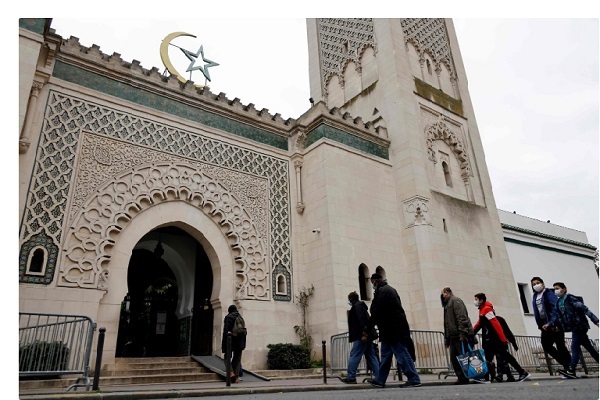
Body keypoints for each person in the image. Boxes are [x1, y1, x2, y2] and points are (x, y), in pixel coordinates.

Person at [366, 273, 421, 388]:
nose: (372, 285)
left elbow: (377, 311)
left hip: (393, 330)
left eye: (372, 282)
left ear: (376, 281)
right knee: (385, 356)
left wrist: (368, 327)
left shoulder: (385, 291)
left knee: (401, 354)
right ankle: (380, 380)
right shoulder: (386, 290)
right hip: (389, 330)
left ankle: (414, 378)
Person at [543, 282, 599, 379]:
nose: (556, 291)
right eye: (554, 289)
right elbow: (556, 317)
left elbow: (585, 309)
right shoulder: (558, 303)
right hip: (573, 327)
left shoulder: (571, 299)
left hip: (580, 326)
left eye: (558, 288)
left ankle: (571, 370)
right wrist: (549, 324)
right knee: (589, 347)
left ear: (564, 289)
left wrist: (596, 321)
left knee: (574, 347)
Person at [473, 293, 530, 383]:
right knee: (488, 358)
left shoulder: (487, 309)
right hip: (490, 340)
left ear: (481, 300)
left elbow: (496, 325)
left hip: (495, 339)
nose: (475, 301)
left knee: (506, 356)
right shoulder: (482, 310)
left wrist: (503, 339)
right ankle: (485, 377)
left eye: (476, 299)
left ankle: (522, 372)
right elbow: (479, 323)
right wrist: (471, 333)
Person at [530, 276, 571, 372]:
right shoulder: (535, 296)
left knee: (560, 345)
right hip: (544, 325)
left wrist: (552, 322)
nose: (536, 285)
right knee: (546, 345)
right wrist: (540, 325)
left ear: (543, 284)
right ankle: (566, 363)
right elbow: (538, 311)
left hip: (555, 323)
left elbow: (555, 308)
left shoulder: (548, 293)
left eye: (537, 283)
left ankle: (569, 366)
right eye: (533, 284)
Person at [339, 291, 380, 384]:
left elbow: (361, 321)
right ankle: (379, 377)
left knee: (354, 355)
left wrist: (364, 334)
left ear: (351, 299)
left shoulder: (356, 307)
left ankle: (351, 377)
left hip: (361, 336)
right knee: (371, 357)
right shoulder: (361, 307)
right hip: (367, 335)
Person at [441, 287, 475, 385]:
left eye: (443, 294)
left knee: (465, 357)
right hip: (453, 336)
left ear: (447, 293)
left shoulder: (455, 301)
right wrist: (447, 339)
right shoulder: (447, 304)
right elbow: (447, 323)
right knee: (455, 359)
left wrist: (463, 333)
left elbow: (462, 317)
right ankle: (462, 378)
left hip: (459, 335)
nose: (442, 296)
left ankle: (471, 375)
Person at [221, 304, 246, 383]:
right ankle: (236, 377)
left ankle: (231, 373)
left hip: (231, 341)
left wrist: (224, 344)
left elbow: (226, 331)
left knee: (227, 357)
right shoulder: (240, 318)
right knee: (237, 360)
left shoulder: (228, 317)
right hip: (240, 342)